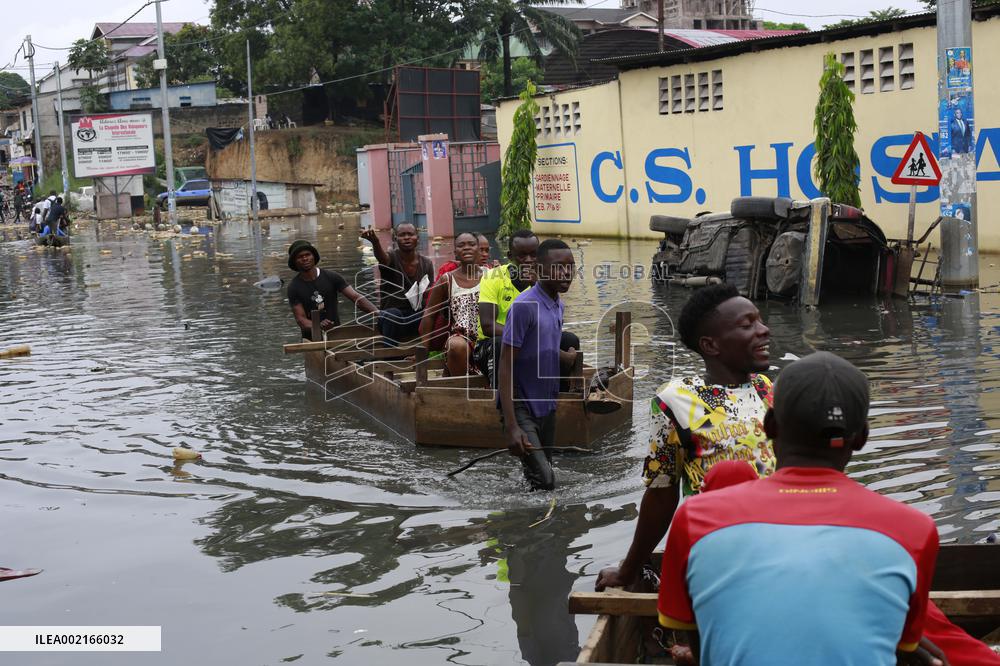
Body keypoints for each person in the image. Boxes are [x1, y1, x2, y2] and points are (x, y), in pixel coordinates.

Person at [657, 352, 942, 666]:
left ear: (769, 426)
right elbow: (897, 645)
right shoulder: (914, 530)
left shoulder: (695, 520)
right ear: (861, 437)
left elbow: (703, 646)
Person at [596, 283, 773, 591]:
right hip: (717, 550)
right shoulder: (676, 401)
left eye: (759, 320)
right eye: (748, 325)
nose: (764, 330)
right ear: (711, 345)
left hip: (776, 544)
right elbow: (662, 492)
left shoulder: (767, 390)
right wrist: (629, 570)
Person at [499, 238, 578, 491]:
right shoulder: (524, 306)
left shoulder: (558, 305)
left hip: (547, 406)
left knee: (540, 479)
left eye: (570, 266)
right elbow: (505, 366)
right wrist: (512, 426)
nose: (566, 272)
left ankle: (538, 524)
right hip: (522, 407)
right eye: (558, 267)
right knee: (546, 482)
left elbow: (545, 350)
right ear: (539, 270)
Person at [474, 230, 580, 389]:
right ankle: (500, 399)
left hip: (533, 342)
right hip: (493, 345)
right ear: (510, 256)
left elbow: (553, 324)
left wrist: (535, 286)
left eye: (534, 255)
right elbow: (488, 325)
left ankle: (561, 393)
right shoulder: (493, 277)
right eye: (522, 256)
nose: (529, 261)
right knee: (499, 344)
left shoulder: (546, 279)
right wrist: (525, 338)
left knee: (569, 339)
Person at [286, 240, 379, 340]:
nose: (305, 258)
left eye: (307, 254)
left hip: (336, 335)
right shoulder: (293, 287)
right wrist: (318, 326)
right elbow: (301, 320)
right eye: (300, 257)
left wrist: (379, 313)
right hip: (311, 339)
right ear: (295, 262)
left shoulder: (331, 277)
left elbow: (356, 298)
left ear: (313, 257)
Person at [420, 232, 483, 376]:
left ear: (478, 249)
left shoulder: (491, 275)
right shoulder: (447, 280)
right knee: (455, 345)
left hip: (487, 336)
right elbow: (429, 315)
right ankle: (459, 389)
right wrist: (424, 348)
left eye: (471, 244)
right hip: (462, 337)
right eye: (461, 246)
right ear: (455, 253)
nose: (466, 248)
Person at [361, 224, 434, 346]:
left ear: (417, 238)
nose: (406, 238)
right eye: (402, 235)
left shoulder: (426, 263)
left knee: (433, 312)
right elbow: (382, 259)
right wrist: (375, 242)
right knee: (393, 315)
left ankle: (428, 349)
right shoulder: (392, 257)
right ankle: (390, 356)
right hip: (390, 318)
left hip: (414, 317)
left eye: (410, 234)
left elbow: (429, 294)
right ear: (395, 239)